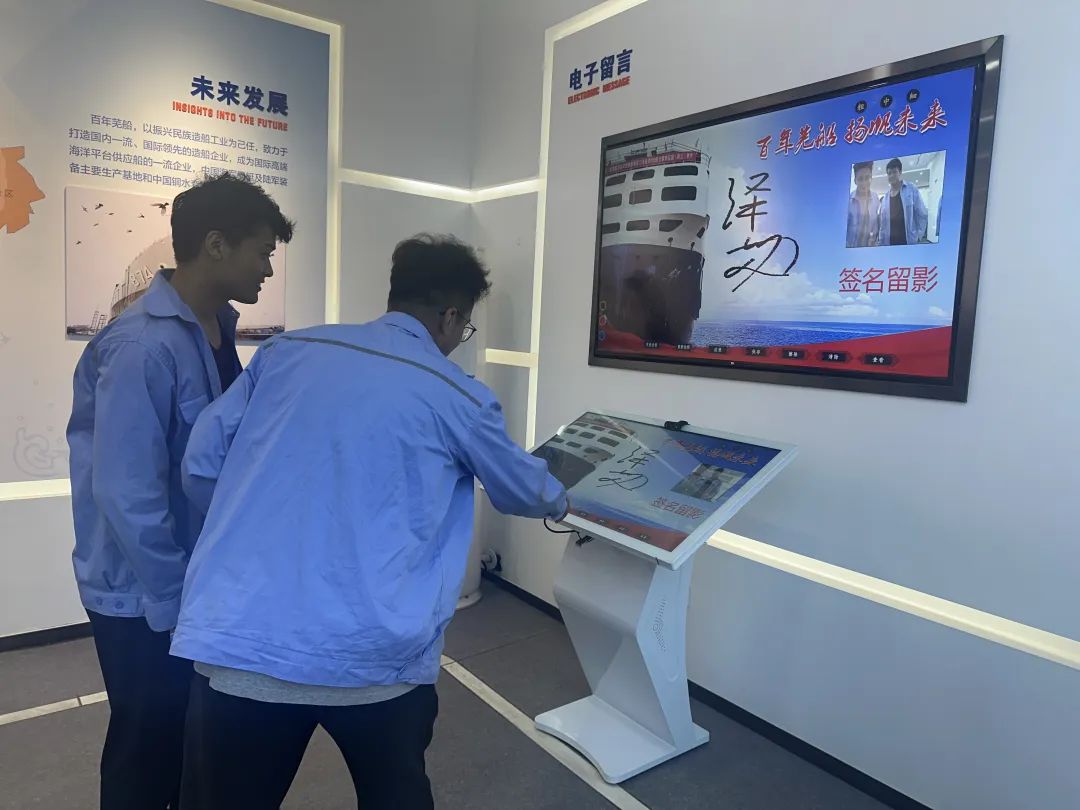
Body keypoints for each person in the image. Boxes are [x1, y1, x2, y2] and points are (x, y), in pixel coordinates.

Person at [171, 234, 569, 809]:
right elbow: (524, 490)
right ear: (450, 316)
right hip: (376, 657)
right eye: (463, 327)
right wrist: (567, 498)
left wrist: (252, 528)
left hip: (244, 638)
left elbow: (202, 463)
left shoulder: (286, 353)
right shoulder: (456, 394)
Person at [67, 173, 293, 809]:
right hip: (143, 593)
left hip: (191, 582)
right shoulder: (142, 346)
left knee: (183, 742)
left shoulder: (215, 328)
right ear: (216, 245)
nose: (267, 269)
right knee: (145, 751)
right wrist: (173, 601)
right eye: (262, 252)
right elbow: (125, 493)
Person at [876, 157, 928, 245]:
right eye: (889, 173)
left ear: (900, 172)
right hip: (890, 243)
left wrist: (919, 236)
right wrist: (881, 242)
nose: (891, 175)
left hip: (908, 242)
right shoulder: (885, 198)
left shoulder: (911, 189)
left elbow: (922, 214)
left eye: (894, 172)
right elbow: (883, 225)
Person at [846, 160, 877, 248]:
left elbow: (876, 225)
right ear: (855, 181)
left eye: (867, 178)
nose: (864, 183)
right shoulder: (848, 201)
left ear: (871, 178)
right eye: (860, 179)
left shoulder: (876, 199)